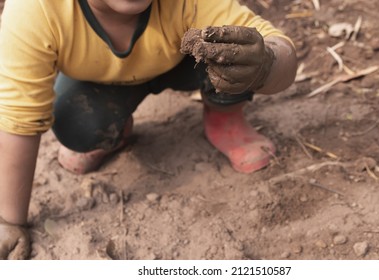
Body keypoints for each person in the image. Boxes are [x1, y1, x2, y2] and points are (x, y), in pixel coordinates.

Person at [0, 0, 297, 259]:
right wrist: (9, 220)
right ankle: (114, 130)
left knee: (236, 53)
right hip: (100, 80)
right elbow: (18, 117)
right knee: (79, 126)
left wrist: (266, 65)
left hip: (185, 61)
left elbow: (277, 47)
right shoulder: (35, 8)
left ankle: (225, 117)